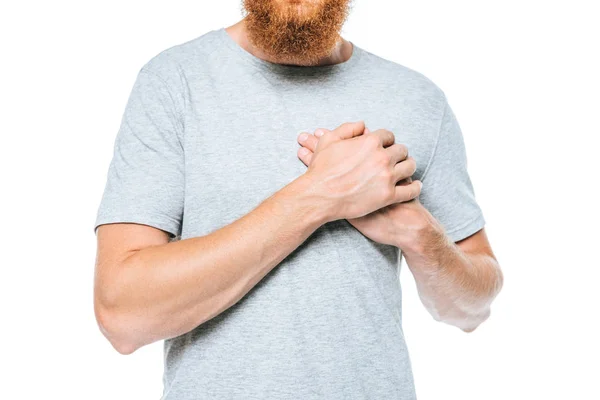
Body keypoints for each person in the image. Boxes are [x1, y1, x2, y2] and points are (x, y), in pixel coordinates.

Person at [93, 0, 504, 398]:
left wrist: (422, 234)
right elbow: (122, 315)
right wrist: (318, 196)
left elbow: (472, 309)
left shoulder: (418, 99)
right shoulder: (176, 81)